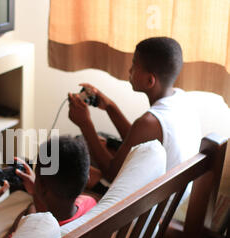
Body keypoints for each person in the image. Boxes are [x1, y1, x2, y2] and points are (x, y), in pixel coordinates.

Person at [68, 37, 201, 185]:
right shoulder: (181, 98)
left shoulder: (149, 122)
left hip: (152, 204)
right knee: (102, 144)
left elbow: (112, 173)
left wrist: (85, 125)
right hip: (175, 195)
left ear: (150, 81)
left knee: (67, 163)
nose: (130, 70)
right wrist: (110, 107)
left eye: (134, 65)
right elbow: (138, 138)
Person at [0, 135, 97, 238]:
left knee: (31, 209)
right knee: (32, 208)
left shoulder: (33, 233)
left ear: (40, 184)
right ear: (86, 179)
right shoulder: (90, 203)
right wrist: (37, 191)